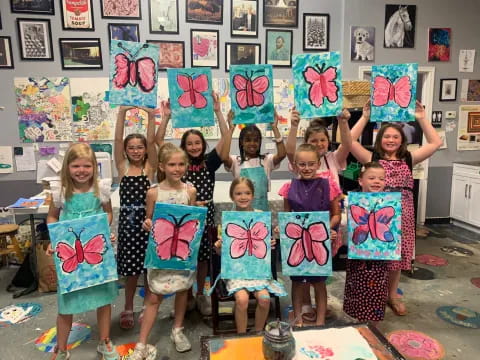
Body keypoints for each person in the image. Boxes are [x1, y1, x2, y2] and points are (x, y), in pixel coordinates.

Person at [350, 100, 442, 315]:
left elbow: (435, 142)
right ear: (379, 139)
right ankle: (375, 293)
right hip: (377, 216)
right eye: (386, 136)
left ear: (402, 140)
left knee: (396, 258)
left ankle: (392, 295)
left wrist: (421, 117)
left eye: (395, 136)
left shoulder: (409, 158)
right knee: (376, 257)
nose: (391, 140)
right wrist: (364, 117)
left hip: (404, 215)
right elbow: (350, 140)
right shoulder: (370, 157)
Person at [155, 94, 231, 316]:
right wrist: (166, 117)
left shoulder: (210, 162)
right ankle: (185, 295)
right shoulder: (180, 164)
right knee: (185, 257)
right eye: (189, 143)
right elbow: (159, 142)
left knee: (204, 258)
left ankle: (201, 295)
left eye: (197, 143)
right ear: (183, 147)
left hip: (205, 217)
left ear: (203, 144)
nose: (194, 146)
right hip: (184, 219)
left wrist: (218, 112)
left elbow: (227, 137)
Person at [46, 143, 119, 360]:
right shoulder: (60, 191)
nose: (81, 170)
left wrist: (103, 231)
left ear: (94, 167)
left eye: (87, 166)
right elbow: (52, 217)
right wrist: (55, 238)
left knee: (103, 296)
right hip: (70, 252)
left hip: (95, 250)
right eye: (76, 165)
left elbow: (108, 214)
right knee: (67, 298)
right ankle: (61, 348)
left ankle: (104, 341)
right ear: (67, 166)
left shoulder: (101, 188)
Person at [129, 143, 197, 359]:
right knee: (154, 296)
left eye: (180, 164)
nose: (177, 169)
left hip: (182, 253)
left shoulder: (190, 191)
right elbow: (148, 219)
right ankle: (142, 343)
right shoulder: (154, 192)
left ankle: (177, 329)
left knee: (182, 290)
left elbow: (192, 221)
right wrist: (147, 224)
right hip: (160, 251)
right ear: (162, 166)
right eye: (171, 164)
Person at [285, 107, 353, 322]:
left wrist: (343, 121)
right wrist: (293, 123)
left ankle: (320, 315)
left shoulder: (333, 161)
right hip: (301, 237)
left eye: (322, 140)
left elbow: (348, 145)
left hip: (325, 232)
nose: (319, 144)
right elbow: (288, 216)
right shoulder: (294, 178)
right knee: (300, 277)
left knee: (320, 276)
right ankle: (304, 308)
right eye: (313, 140)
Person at [278, 144, 342, 326]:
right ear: (295, 165)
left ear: (318, 163)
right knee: (297, 282)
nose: (307, 168)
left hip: (320, 242)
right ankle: (298, 320)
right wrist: (281, 229)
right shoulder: (289, 188)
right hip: (296, 244)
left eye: (311, 164)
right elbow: (288, 216)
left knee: (319, 283)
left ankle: (320, 321)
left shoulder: (328, 185)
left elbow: (336, 214)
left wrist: (327, 228)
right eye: (302, 164)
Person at [214, 177, 286, 333]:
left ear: (253, 195)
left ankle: (258, 332)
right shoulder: (228, 219)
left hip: (258, 271)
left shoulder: (261, 216)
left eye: (247, 193)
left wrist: (270, 244)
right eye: (238, 193)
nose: (243, 197)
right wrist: (219, 246)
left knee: (265, 299)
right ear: (232, 196)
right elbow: (221, 254)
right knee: (242, 300)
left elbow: (266, 245)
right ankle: (242, 335)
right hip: (236, 272)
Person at [114, 106, 157, 330]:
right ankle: (128, 306)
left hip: (148, 222)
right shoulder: (123, 167)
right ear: (126, 150)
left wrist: (151, 116)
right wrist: (122, 113)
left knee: (149, 268)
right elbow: (116, 139)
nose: (136, 151)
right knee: (131, 272)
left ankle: (147, 307)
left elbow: (152, 142)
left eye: (140, 147)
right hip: (128, 226)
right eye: (131, 147)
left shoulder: (149, 169)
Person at [343, 162, 389, 326]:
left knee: (377, 289)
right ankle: (360, 322)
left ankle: (373, 327)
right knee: (358, 288)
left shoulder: (390, 203)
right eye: (371, 178)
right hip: (358, 256)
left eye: (381, 179)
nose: (377, 181)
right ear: (361, 180)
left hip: (380, 258)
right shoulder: (353, 201)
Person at [221, 113, 286, 211]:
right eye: (248, 140)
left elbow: (282, 154)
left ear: (260, 142)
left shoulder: (266, 160)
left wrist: (274, 128)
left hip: (261, 212)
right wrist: (231, 129)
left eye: (256, 140)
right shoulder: (236, 161)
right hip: (240, 212)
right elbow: (224, 157)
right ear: (242, 142)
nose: (252, 143)